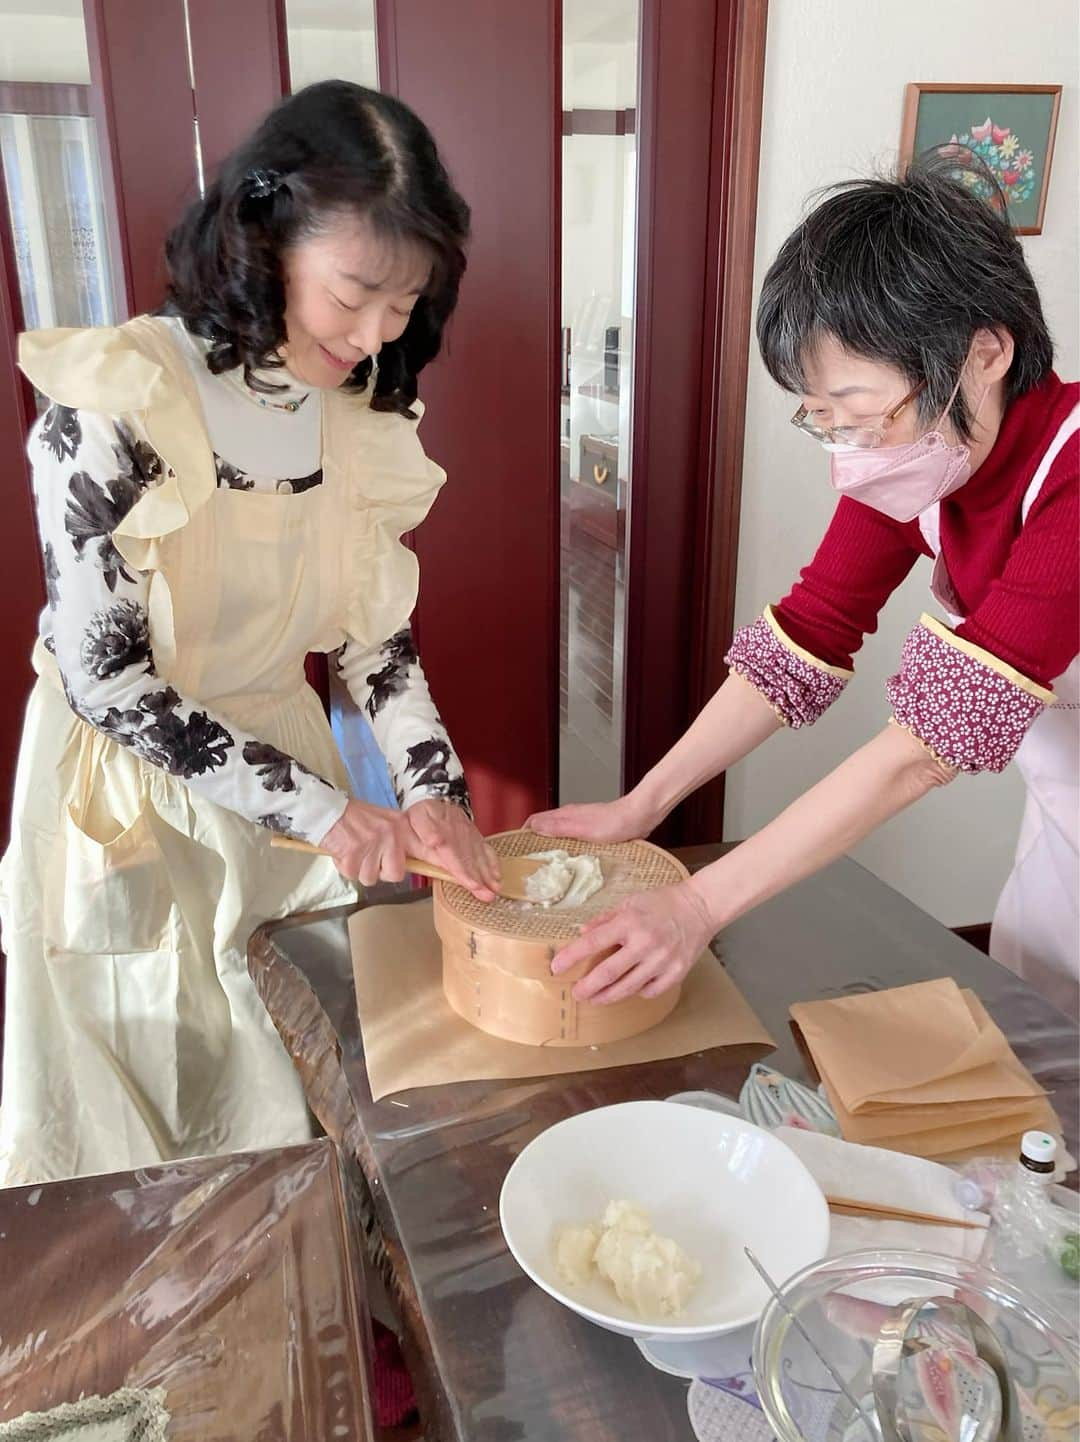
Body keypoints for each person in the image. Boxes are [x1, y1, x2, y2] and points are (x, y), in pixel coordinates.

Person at [0, 81, 500, 1187]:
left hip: (281, 759)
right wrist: (323, 808)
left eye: (405, 302)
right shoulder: (120, 398)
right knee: (145, 1110)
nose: (377, 334)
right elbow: (107, 680)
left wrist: (434, 791)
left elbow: (375, 639)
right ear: (263, 236)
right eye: (356, 292)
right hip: (126, 781)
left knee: (285, 1084)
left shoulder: (355, 417)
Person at [531, 154, 1079, 1020]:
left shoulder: (1071, 473)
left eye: (862, 412)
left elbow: (925, 746)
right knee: (1045, 1031)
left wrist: (700, 904)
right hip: (1067, 810)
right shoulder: (922, 457)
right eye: (823, 419)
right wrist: (642, 804)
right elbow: (804, 639)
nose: (851, 448)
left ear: (986, 351)